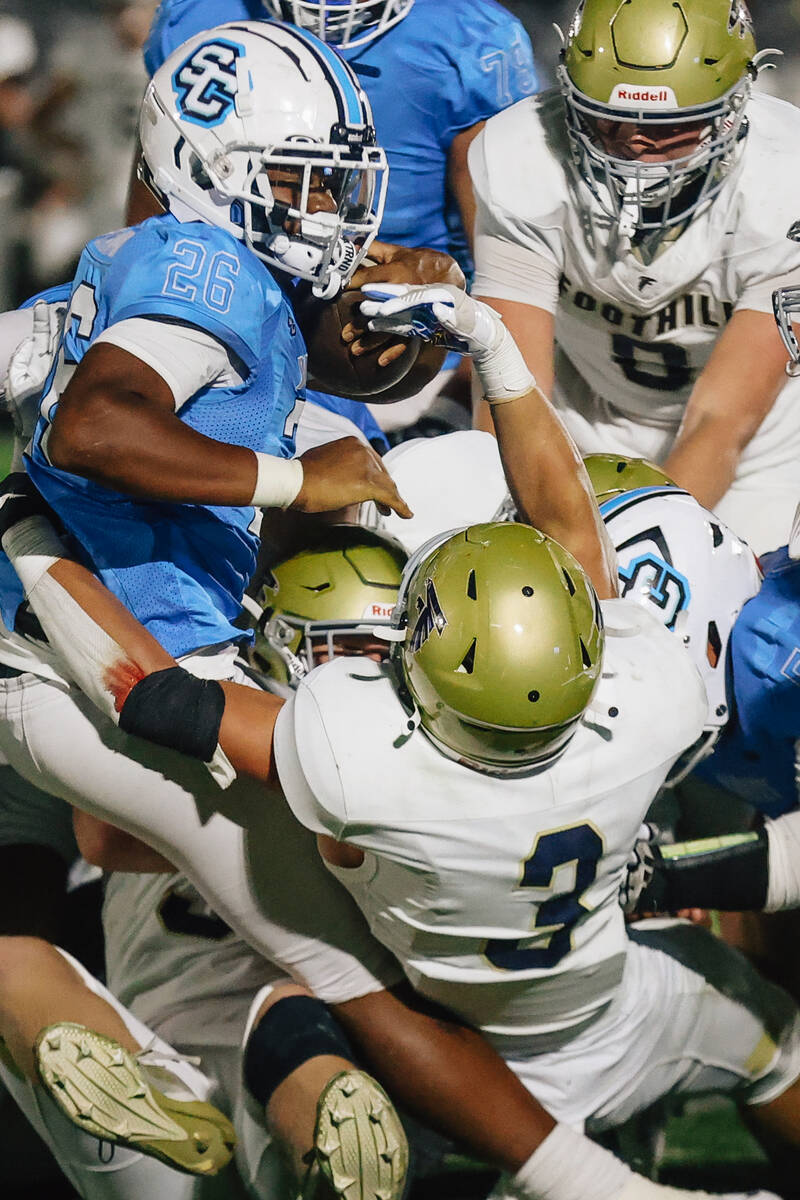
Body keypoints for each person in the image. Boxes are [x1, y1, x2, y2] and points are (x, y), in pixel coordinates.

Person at [0, 274, 789, 1200]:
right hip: (593, 996)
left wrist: (25, 529)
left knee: (308, 997)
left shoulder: (356, 757)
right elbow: (575, 536)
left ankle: (83, 1011)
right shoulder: (652, 699)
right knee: (767, 1031)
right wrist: (496, 352)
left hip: (430, 1035)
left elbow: (153, 701)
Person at [469, 0, 800, 554]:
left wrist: (631, 547)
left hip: (758, 455)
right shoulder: (521, 156)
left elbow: (720, 423)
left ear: (735, 107)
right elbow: (509, 388)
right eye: (609, 116)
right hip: (575, 424)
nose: (635, 141)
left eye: (671, 126)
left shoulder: (784, 180)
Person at [138, 0, 538, 436]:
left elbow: (513, 277)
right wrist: (291, 482)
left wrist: (455, 395)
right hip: (241, 313)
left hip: (401, 344)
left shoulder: (469, 39)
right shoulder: (199, 17)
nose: (328, 203)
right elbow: (158, 194)